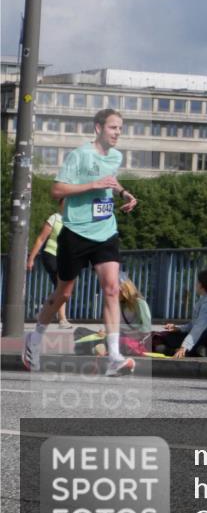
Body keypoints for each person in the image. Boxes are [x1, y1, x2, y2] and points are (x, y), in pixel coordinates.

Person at [22, 108, 139, 375]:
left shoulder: (116, 156)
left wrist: (122, 193)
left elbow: (110, 180)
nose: (117, 133)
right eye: (113, 128)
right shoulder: (79, 155)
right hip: (76, 231)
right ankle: (35, 339)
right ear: (98, 128)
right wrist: (92, 184)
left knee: (111, 288)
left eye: (120, 128)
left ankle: (114, 357)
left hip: (105, 230)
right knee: (63, 293)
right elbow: (57, 190)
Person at [157, 270, 207, 358]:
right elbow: (193, 325)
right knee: (169, 337)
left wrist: (184, 347)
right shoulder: (203, 300)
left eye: (197, 282)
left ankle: (173, 351)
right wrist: (178, 329)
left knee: (198, 336)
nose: (196, 284)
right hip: (203, 339)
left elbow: (198, 328)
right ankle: (202, 351)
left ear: (202, 285)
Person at [26, 200, 70, 328]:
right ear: (60, 204)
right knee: (61, 285)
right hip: (51, 255)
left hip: (65, 258)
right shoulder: (55, 218)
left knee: (61, 289)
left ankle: (43, 313)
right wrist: (31, 259)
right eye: (66, 202)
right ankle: (62, 319)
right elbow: (40, 239)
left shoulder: (74, 222)